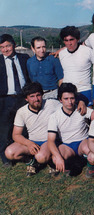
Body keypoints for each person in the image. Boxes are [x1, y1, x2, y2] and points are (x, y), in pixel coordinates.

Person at [5, 82, 60, 176]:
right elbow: (16, 134)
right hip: (33, 141)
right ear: (26, 98)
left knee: (41, 157)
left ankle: (51, 162)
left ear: (42, 95)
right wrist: (29, 143)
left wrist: (81, 103)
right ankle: (32, 162)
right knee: (10, 152)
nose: (36, 99)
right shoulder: (22, 111)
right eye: (32, 96)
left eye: (38, 95)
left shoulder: (52, 104)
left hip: (49, 141)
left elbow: (69, 107)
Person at [47, 83, 93, 174]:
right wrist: (59, 158)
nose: (70, 102)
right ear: (60, 100)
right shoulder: (54, 116)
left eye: (72, 98)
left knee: (90, 150)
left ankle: (90, 165)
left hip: (82, 142)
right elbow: (50, 141)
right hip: (67, 146)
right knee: (55, 158)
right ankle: (78, 161)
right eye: (66, 99)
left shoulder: (82, 109)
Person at [0, 34, 30, 166]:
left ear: (14, 45)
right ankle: (5, 157)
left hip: (22, 98)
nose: (5, 49)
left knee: (24, 127)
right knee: (5, 128)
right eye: (2, 47)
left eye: (7, 46)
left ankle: (25, 153)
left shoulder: (24, 58)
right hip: (5, 100)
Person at [59, 26, 93, 107]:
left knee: (87, 118)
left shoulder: (87, 51)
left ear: (77, 39)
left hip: (84, 90)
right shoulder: (61, 53)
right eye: (66, 40)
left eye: (71, 40)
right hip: (68, 93)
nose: (69, 43)